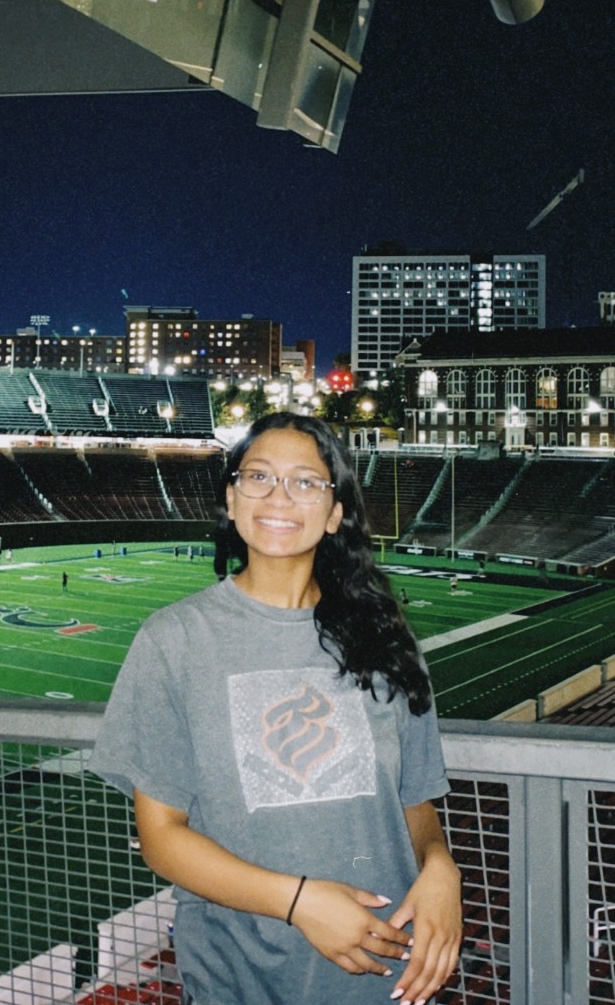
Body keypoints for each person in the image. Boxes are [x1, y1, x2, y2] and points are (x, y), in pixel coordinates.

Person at [92, 413, 461, 1005]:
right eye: (258, 477)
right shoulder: (173, 639)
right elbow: (161, 837)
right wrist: (300, 902)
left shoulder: (386, 638)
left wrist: (441, 868)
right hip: (241, 981)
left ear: (335, 511)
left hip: (388, 975)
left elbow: (412, 802)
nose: (279, 496)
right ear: (233, 500)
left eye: (306, 481)